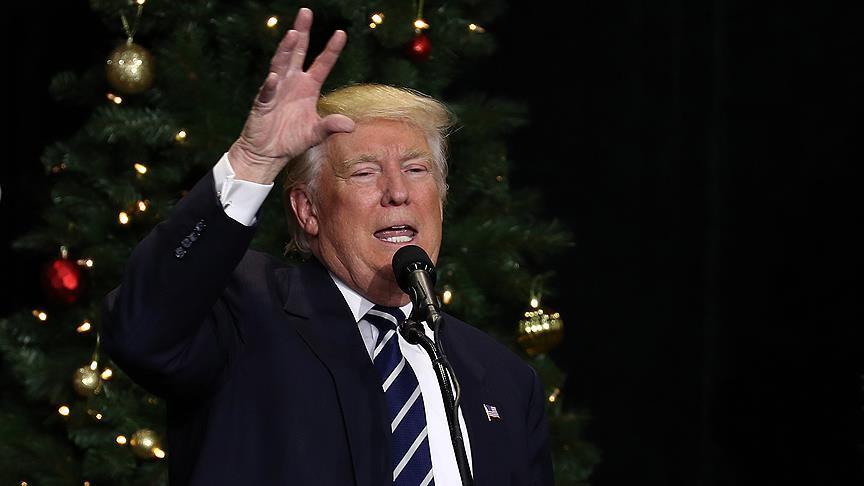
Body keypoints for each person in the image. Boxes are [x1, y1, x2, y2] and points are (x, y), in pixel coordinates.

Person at [103, 7, 553, 486]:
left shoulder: (505, 380)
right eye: (364, 172)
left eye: (417, 170)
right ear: (307, 210)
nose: (397, 192)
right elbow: (142, 330)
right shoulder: (240, 312)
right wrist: (254, 159)